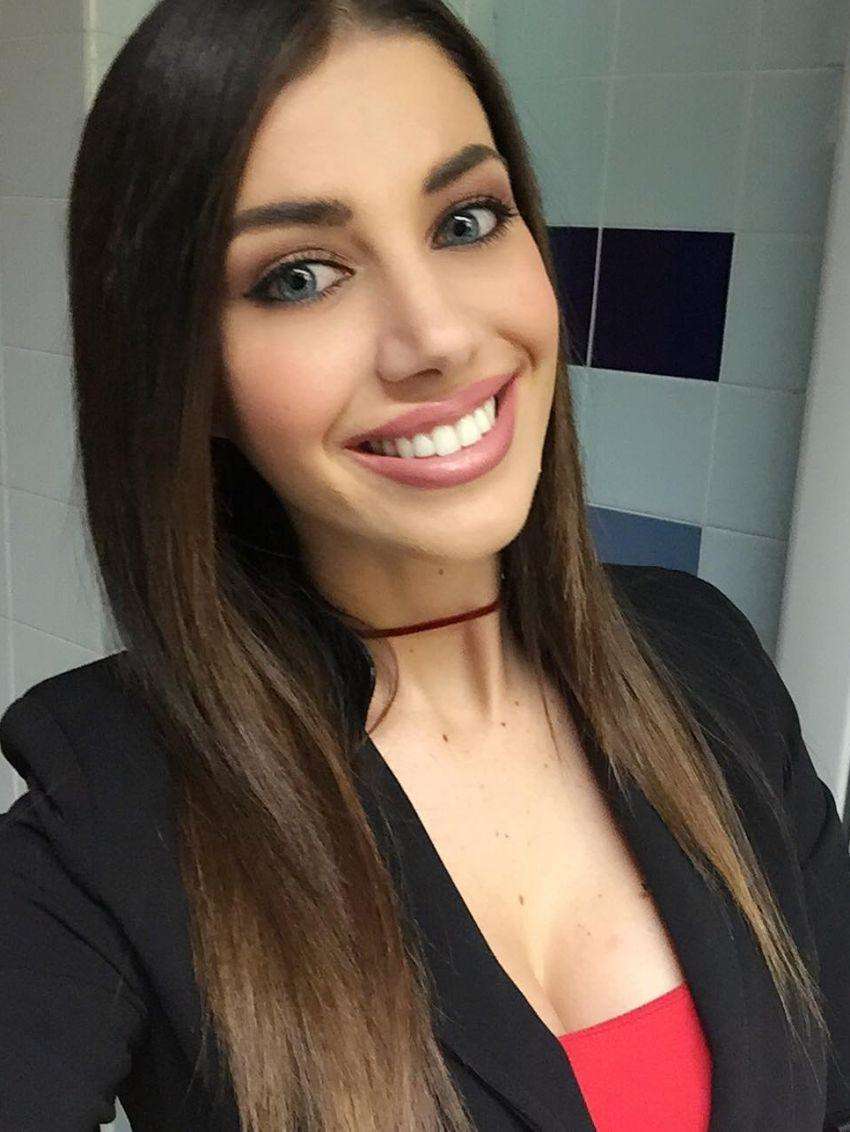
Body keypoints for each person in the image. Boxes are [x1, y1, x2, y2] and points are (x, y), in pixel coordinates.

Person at [1, 1, 849, 1129]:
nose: (438, 336)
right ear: (187, 378)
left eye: (465, 221)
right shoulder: (112, 810)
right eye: (299, 276)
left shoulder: (705, 664)